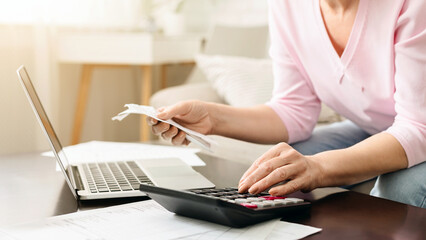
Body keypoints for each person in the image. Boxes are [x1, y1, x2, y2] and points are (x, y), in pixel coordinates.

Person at [148, 0, 426, 208]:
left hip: (418, 128)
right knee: (281, 170)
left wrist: (319, 168)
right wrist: (212, 118)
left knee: (399, 187)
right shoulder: (288, 5)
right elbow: (294, 110)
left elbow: (417, 127)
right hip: (377, 128)